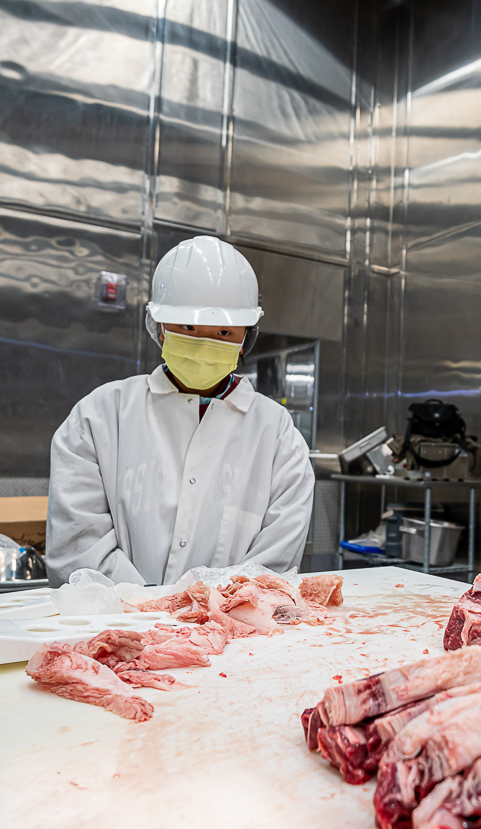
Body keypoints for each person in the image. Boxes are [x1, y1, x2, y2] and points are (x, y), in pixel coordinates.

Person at [47, 236, 314, 586]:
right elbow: (77, 550)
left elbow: (275, 558)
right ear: (158, 327)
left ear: (246, 336)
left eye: (222, 331)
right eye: (187, 327)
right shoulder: (98, 416)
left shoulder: (277, 433)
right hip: (116, 626)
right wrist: (148, 609)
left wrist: (205, 613)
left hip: (232, 632)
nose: (204, 344)